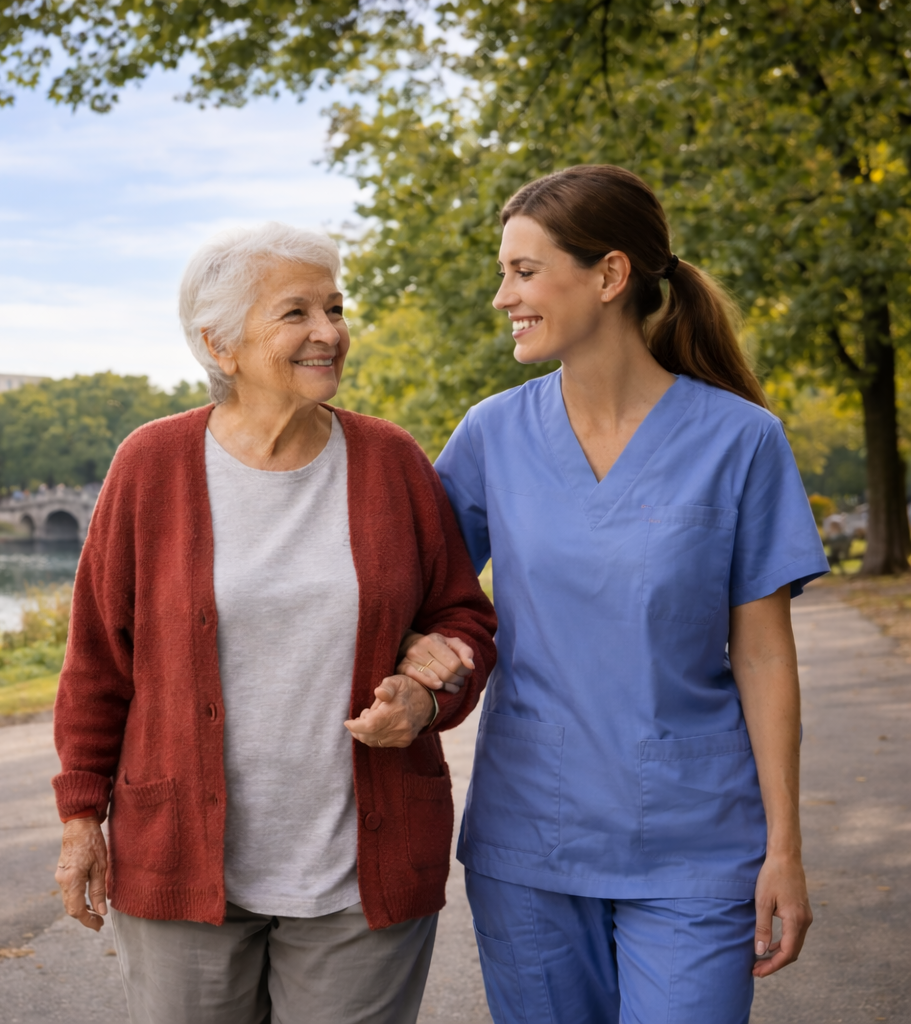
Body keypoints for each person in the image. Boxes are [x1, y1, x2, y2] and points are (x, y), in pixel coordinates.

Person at [51, 223, 498, 1023]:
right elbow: (97, 662)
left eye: (334, 307)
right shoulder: (150, 465)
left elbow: (463, 616)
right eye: (296, 313)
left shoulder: (392, 461)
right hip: (181, 867)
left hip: (363, 872)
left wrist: (430, 696)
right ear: (220, 344)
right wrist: (82, 818)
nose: (329, 332)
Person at [434, 165, 829, 1023]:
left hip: (696, 843)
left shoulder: (741, 441)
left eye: (524, 271)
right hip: (531, 839)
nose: (503, 296)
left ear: (611, 276)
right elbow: (414, 593)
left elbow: (762, 653)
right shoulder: (489, 437)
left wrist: (786, 848)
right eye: (504, 272)